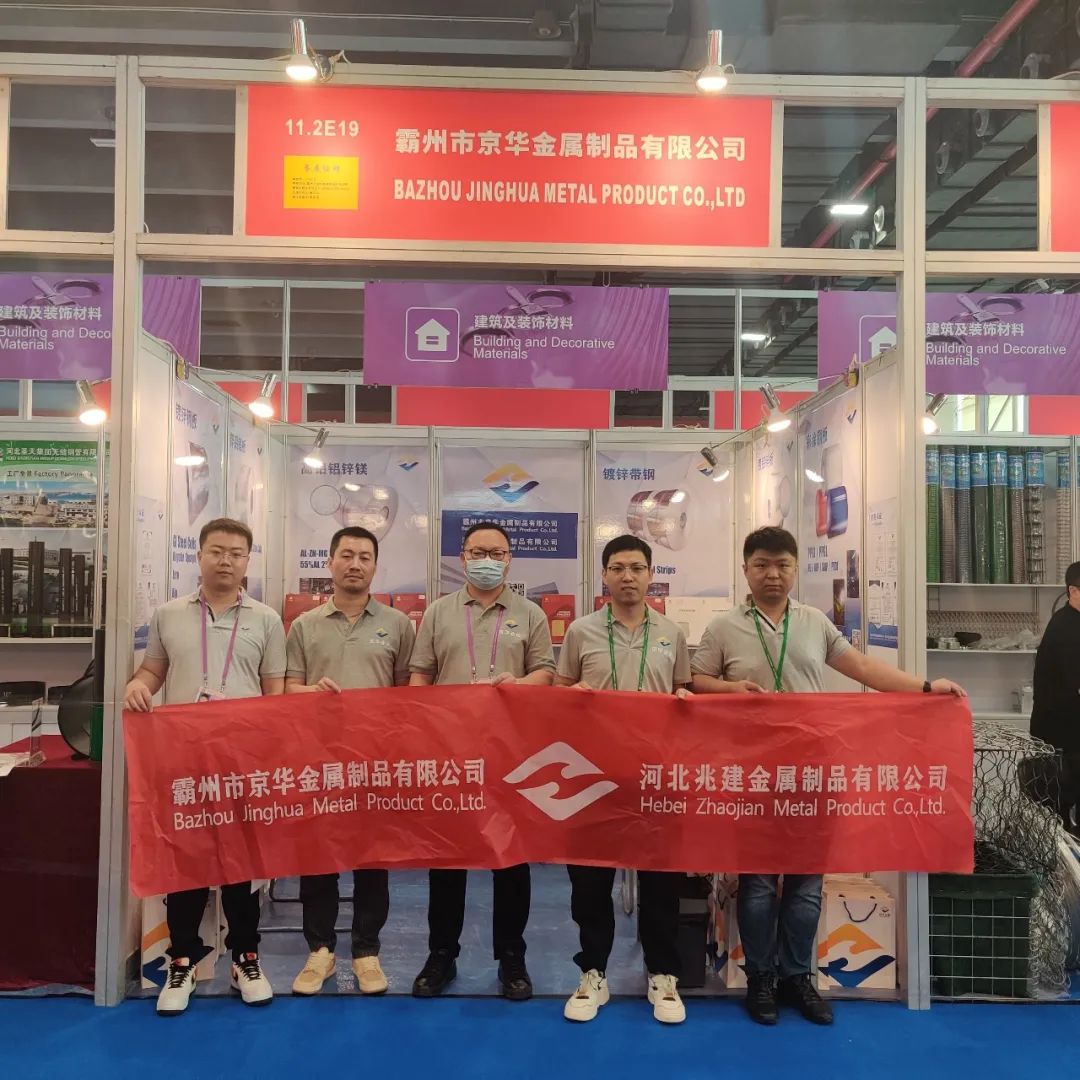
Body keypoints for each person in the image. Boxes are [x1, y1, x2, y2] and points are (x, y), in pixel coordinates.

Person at [691, 526, 966, 1028]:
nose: (772, 574)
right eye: (761, 564)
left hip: (810, 771)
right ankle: (761, 978)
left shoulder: (815, 622)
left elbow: (862, 667)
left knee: (805, 883)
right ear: (746, 569)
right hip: (754, 774)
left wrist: (925, 687)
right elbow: (695, 681)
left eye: (782, 565)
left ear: (795, 569)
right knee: (757, 884)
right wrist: (731, 690)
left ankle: (798, 977)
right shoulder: (723, 627)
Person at [124, 517, 287, 1017]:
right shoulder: (169, 615)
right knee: (187, 861)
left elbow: (275, 692)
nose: (226, 561)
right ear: (199, 555)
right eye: (216, 551)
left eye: (236, 553)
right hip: (184, 760)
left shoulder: (266, 620)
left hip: (241, 763)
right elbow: (152, 670)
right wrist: (138, 686)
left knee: (241, 866)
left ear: (247, 561)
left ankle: (245, 958)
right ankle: (182, 960)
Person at [408, 521, 555, 1001]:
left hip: (511, 755)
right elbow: (420, 676)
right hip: (452, 754)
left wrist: (519, 685)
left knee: (511, 859)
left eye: (496, 552)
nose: (486, 560)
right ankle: (441, 954)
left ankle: (512, 957)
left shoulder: (530, 613)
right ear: (463, 557)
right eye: (478, 552)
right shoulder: (439, 612)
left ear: (509, 559)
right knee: (447, 859)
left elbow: (546, 673)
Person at [556, 534, 693, 1026]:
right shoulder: (581, 632)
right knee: (590, 882)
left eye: (637, 567)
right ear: (605, 575)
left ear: (651, 574)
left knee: (661, 881)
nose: (628, 576)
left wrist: (684, 700)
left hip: (655, 776)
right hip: (593, 775)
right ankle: (593, 972)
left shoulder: (672, 633)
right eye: (618, 568)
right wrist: (574, 696)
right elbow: (558, 694)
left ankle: (663, 974)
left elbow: (683, 692)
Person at [285, 526, 415, 996]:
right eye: (346, 555)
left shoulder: (398, 625)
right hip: (318, 759)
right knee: (318, 857)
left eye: (364, 556)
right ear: (330, 562)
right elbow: (286, 689)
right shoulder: (305, 625)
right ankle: (320, 950)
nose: (355, 564)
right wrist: (311, 693)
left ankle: (366, 952)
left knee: (371, 860)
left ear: (375, 566)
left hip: (374, 761)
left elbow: (407, 694)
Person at [1029, 561, 1080, 831]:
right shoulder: (1066, 630)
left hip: (1066, 736)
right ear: (1073, 591)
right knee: (1059, 816)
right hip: (1061, 739)